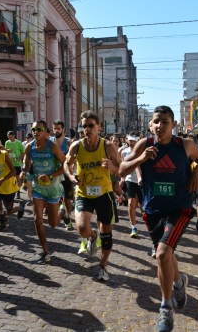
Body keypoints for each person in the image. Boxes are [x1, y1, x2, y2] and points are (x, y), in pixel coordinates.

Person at [119, 105, 198, 332]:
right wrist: (141, 159)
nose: (160, 126)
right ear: (150, 124)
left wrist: (196, 172)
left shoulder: (184, 145)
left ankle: (166, 307)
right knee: (166, 256)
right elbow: (121, 170)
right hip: (153, 209)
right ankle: (179, 283)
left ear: (173, 125)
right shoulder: (144, 145)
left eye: (165, 122)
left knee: (162, 253)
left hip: (180, 208)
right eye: (156, 121)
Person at [65, 111, 122, 281]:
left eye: (91, 125)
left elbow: (122, 169)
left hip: (104, 194)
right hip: (84, 194)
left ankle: (103, 266)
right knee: (82, 229)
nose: (88, 129)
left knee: (107, 236)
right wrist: (70, 176)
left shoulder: (108, 147)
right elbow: (66, 163)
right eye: (84, 126)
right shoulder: (77, 146)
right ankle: (92, 236)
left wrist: (112, 167)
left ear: (99, 127)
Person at [21, 119, 66, 264]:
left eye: (39, 130)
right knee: (37, 219)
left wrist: (50, 176)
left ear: (46, 132)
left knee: (53, 224)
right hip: (37, 188)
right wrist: (23, 172)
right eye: (34, 130)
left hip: (53, 188)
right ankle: (45, 251)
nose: (36, 132)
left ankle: (63, 211)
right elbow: (26, 163)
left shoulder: (52, 146)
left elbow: (65, 165)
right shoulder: (29, 147)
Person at [53, 120, 75, 231]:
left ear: (63, 130)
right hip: (54, 175)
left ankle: (68, 219)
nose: (56, 131)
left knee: (67, 199)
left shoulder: (68, 143)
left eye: (58, 129)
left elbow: (74, 158)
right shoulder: (50, 142)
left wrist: (72, 172)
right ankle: (62, 214)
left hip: (66, 175)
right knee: (56, 200)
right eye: (55, 128)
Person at [121, 132, 143, 239]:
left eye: (134, 141)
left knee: (142, 206)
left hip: (142, 181)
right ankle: (133, 227)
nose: (131, 143)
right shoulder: (124, 152)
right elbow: (123, 166)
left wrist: (140, 177)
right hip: (130, 180)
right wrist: (122, 179)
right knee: (131, 203)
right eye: (130, 140)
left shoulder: (143, 151)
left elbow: (138, 166)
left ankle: (149, 223)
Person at [5, 130, 25, 199]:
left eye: (11, 137)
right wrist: (7, 151)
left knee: (17, 178)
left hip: (17, 164)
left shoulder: (19, 143)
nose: (10, 138)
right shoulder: (7, 143)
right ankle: (11, 191)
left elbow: (23, 152)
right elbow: (5, 152)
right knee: (10, 178)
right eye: (8, 137)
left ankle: (18, 191)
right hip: (10, 163)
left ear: (14, 136)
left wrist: (19, 158)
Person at [22, 132, 34, 206]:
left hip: (36, 169)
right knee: (29, 185)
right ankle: (30, 199)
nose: (28, 139)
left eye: (29, 138)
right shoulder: (25, 145)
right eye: (27, 138)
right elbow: (24, 158)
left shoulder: (35, 145)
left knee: (35, 186)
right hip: (29, 168)